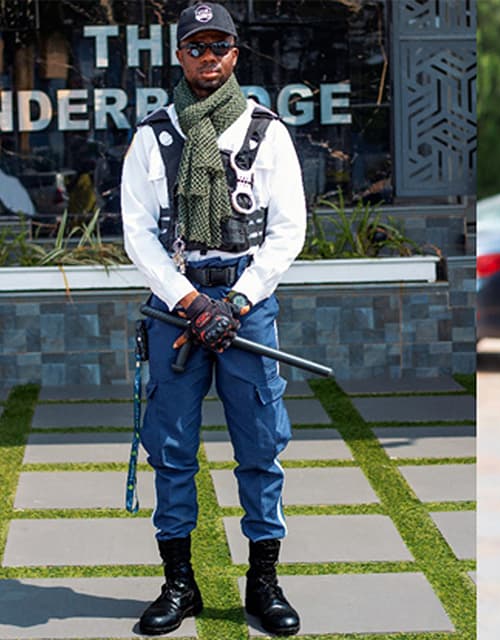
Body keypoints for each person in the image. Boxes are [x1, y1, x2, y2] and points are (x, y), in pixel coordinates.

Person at [121, 3, 305, 636]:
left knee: (260, 443)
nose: (207, 56)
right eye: (195, 45)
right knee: (171, 448)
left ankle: (264, 581)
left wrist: (239, 301)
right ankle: (181, 584)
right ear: (180, 55)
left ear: (235, 53)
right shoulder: (154, 134)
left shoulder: (266, 130)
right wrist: (192, 303)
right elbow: (139, 235)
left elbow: (287, 232)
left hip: (247, 306)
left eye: (218, 45)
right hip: (177, 309)